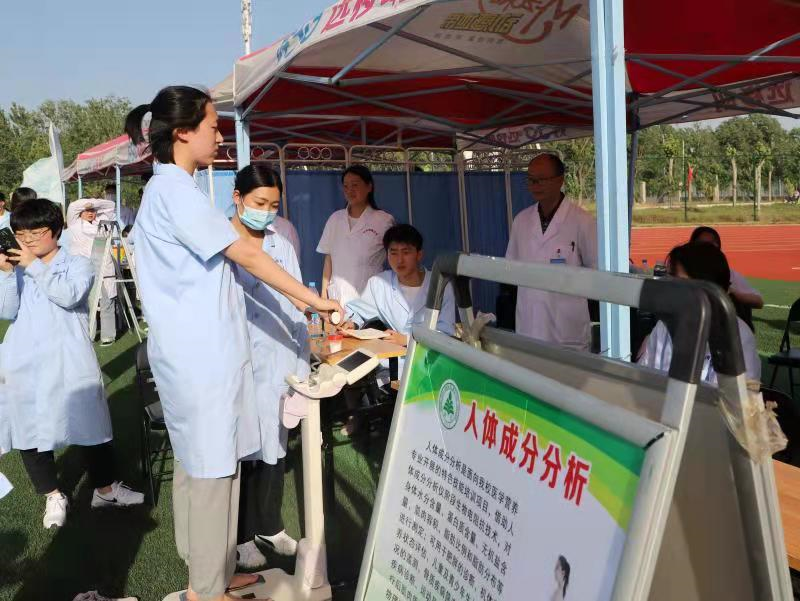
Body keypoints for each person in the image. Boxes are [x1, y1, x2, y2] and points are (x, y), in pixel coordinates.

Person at [125, 86, 341, 601]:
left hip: (197, 356)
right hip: (200, 359)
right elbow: (248, 255)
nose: (220, 136)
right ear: (183, 133)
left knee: (200, 466)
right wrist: (315, 299)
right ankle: (206, 589)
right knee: (211, 473)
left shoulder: (172, 190)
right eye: (213, 126)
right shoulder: (175, 193)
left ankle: (210, 574)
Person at [0, 199, 143, 529]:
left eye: (36, 232)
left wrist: (33, 267)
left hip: (69, 358)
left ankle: (105, 489)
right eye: (20, 234)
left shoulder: (78, 263)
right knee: (30, 428)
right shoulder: (15, 270)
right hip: (24, 360)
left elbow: (69, 295)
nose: (28, 240)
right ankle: (53, 494)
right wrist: (7, 274)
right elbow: (6, 311)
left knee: (90, 423)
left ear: (56, 230)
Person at [226, 165, 306, 570]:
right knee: (241, 452)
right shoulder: (219, 243)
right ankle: (240, 537)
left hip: (276, 359)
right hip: (236, 362)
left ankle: (270, 525)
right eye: (259, 203)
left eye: (274, 205)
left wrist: (301, 365)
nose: (267, 212)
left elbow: (297, 303)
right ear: (237, 198)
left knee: (275, 444)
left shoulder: (281, 244)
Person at [339, 224, 456, 435]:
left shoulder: (441, 286)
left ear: (419, 254)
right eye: (393, 253)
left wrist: (407, 340)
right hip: (393, 368)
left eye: (406, 252)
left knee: (425, 405)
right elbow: (358, 311)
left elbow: (445, 333)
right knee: (393, 391)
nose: (399, 260)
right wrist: (352, 323)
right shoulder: (379, 283)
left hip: (430, 362)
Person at [505, 153, 597, 351]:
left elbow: (596, 272)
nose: (535, 186)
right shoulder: (521, 220)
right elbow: (510, 270)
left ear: (560, 180)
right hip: (528, 326)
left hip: (567, 331)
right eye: (531, 180)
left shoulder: (582, 221)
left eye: (541, 180)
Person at [638, 242, 761, 384]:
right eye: (670, 281)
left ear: (712, 291)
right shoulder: (663, 327)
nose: (671, 292)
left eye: (679, 284)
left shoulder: (739, 337)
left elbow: (737, 396)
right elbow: (642, 381)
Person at [318, 165, 395, 307]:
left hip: (369, 299)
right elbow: (328, 259)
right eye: (346, 186)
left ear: (369, 187)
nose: (349, 190)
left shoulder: (384, 220)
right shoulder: (335, 218)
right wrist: (323, 295)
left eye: (355, 185)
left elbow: (394, 256)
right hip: (337, 298)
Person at [66, 199, 118, 346]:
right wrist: (87, 204)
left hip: (103, 267)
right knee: (85, 304)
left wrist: (93, 205)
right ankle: (88, 335)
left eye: (93, 211)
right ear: (80, 212)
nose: (90, 213)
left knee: (107, 301)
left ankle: (108, 336)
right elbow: (73, 206)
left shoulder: (101, 222)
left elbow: (111, 205)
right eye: (87, 211)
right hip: (84, 269)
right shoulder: (74, 224)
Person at [689, 226, 763, 310]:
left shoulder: (729, 275)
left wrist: (732, 293)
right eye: (701, 244)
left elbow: (758, 302)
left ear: (718, 248)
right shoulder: (683, 272)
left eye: (711, 244)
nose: (706, 249)